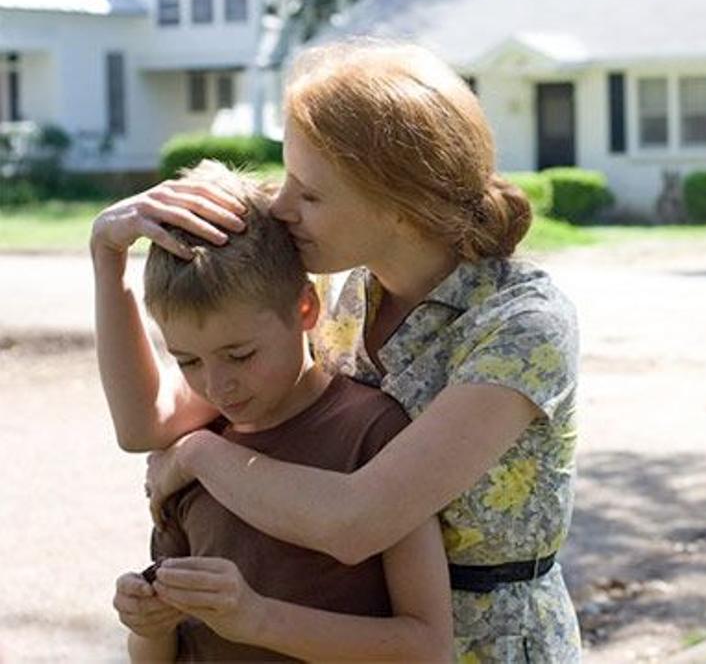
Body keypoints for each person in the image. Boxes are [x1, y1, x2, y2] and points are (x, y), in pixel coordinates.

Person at [91, 40, 581, 661]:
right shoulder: (340, 293)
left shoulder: (520, 325)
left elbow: (358, 522)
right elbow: (144, 424)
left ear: (400, 205)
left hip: (484, 646)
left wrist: (196, 454)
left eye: (310, 193)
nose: (282, 206)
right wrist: (107, 257)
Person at [105, 161, 452, 662]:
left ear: (305, 309)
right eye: (187, 361)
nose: (217, 385)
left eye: (240, 355)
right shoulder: (187, 452)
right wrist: (149, 625)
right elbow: (156, 654)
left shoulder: (373, 431)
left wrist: (257, 618)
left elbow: (425, 647)